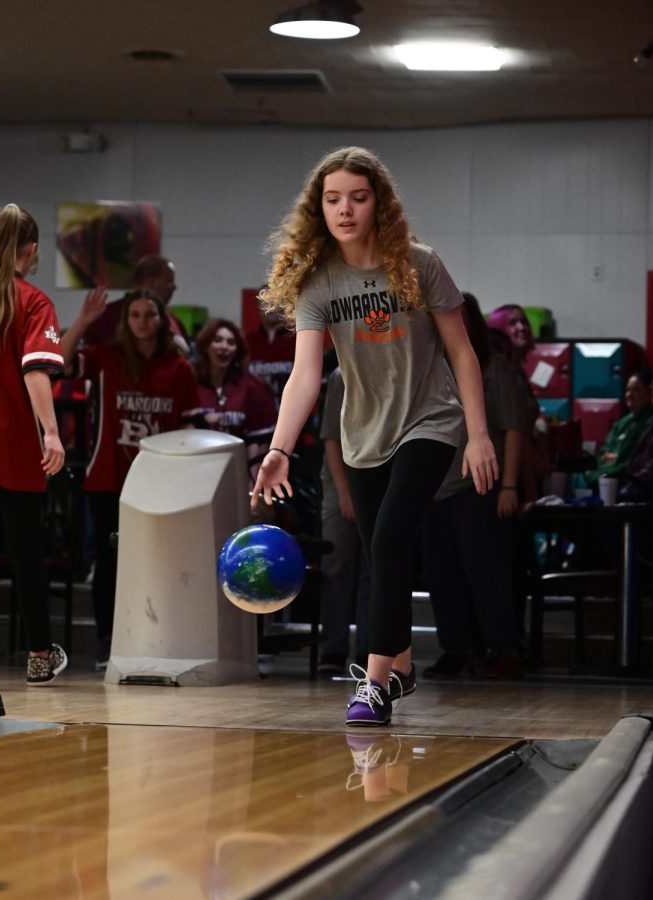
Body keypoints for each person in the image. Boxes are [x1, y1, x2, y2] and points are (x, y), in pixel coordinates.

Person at [250, 146, 497, 727]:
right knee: (376, 552)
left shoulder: (419, 263)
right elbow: (306, 375)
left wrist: (479, 433)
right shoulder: (319, 282)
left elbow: (462, 351)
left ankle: (376, 683)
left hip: (430, 421)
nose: (345, 209)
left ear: (378, 203)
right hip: (361, 432)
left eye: (357, 197)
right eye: (332, 199)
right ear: (319, 209)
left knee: (388, 540)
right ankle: (403, 664)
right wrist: (278, 450)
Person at [61, 288, 200, 669]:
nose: (141, 320)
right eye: (134, 314)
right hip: (107, 477)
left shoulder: (180, 367)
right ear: (126, 321)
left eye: (149, 314)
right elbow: (61, 360)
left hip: (161, 481)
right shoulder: (106, 358)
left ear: (162, 319)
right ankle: (110, 640)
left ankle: (156, 638)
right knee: (110, 560)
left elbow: (188, 425)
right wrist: (84, 320)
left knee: (159, 561)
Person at [421, 293, 525, 679]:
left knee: (487, 572)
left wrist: (510, 486)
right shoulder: (430, 366)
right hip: (432, 487)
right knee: (441, 574)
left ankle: (503, 647)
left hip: (480, 486)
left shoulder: (492, 367)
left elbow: (514, 428)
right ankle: (457, 649)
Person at [0, 203, 68, 685]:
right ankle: (40, 658)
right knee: (25, 556)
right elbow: (35, 368)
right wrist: (53, 432)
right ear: (32, 251)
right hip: (15, 451)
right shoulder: (34, 301)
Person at [317, 367, 370, 676]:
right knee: (336, 566)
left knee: (374, 571)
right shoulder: (341, 375)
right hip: (343, 479)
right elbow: (331, 439)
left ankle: (369, 650)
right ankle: (333, 649)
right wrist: (345, 494)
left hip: (378, 476)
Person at [487, 304, 547, 501]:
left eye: (524, 322)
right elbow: (514, 431)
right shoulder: (498, 373)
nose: (522, 328)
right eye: (512, 323)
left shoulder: (518, 372)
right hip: (508, 475)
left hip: (524, 470)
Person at [194, 318, 277, 459]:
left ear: (237, 350)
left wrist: (252, 479)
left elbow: (259, 441)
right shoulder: (192, 382)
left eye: (231, 343)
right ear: (206, 346)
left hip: (237, 468)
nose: (224, 347)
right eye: (217, 340)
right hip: (197, 466)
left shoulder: (252, 386)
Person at [84, 254, 188, 351]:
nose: (174, 287)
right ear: (151, 283)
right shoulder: (106, 317)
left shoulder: (173, 320)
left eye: (151, 315)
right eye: (169, 281)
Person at [584, 371, 653, 485]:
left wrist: (613, 460)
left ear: (649, 393)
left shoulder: (651, 422)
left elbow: (629, 460)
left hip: (625, 480)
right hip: (604, 476)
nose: (629, 395)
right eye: (628, 390)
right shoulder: (622, 423)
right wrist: (612, 458)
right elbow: (603, 454)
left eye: (636, 390)